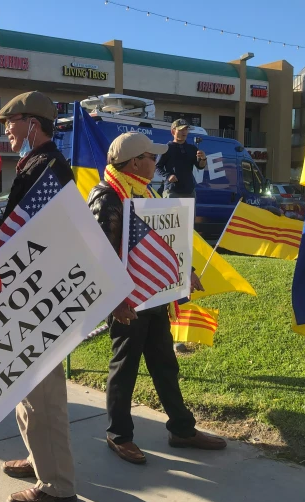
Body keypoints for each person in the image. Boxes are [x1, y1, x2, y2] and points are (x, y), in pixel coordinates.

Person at [87, 132, 227, 465]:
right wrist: (115, 301)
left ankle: (182, 429)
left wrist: (186, 271)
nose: (157, 162)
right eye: (152, 157)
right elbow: (98, 254)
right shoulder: (107, 197)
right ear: (135, 162)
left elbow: (168, 239)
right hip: (128, 302)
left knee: (165, 364)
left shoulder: (145, 192)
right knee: (125, 367)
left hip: (155, 296)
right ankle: (118, 435)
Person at [0, 91, 78, 502]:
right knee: (27, 391)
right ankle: (39, 459)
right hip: (31, 292)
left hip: (39, 294)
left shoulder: (50, 169)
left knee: (42, 396)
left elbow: (31, 231)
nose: (6, 129)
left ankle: (57, 485)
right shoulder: (36, 164)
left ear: (34, 124)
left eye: (12, 121)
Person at [156, 119, 208, 198]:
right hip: (172, 191)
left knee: (190, 211)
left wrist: (203, 159)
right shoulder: (166, 148)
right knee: (172, 211)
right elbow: (157, 167)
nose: (184, 132)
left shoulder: (192, 148)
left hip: (189, 192)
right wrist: (168, 176)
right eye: (181, 130)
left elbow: (200, 166)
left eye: (186, 129)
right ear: (173, 132)